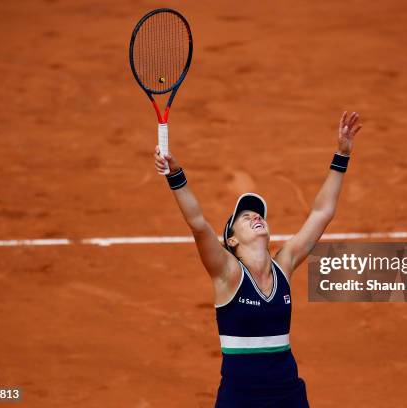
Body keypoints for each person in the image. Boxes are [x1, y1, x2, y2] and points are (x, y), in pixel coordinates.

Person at [154, 112, 362, 407]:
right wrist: (175, 175)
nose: (254, 216)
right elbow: (198, 223)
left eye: (258, 214)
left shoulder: (284, 265)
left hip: (288, 395)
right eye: (244, 216)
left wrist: (341, 155)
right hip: (240, 400)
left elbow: (321, 214)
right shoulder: (228, 274)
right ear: (232, 240)